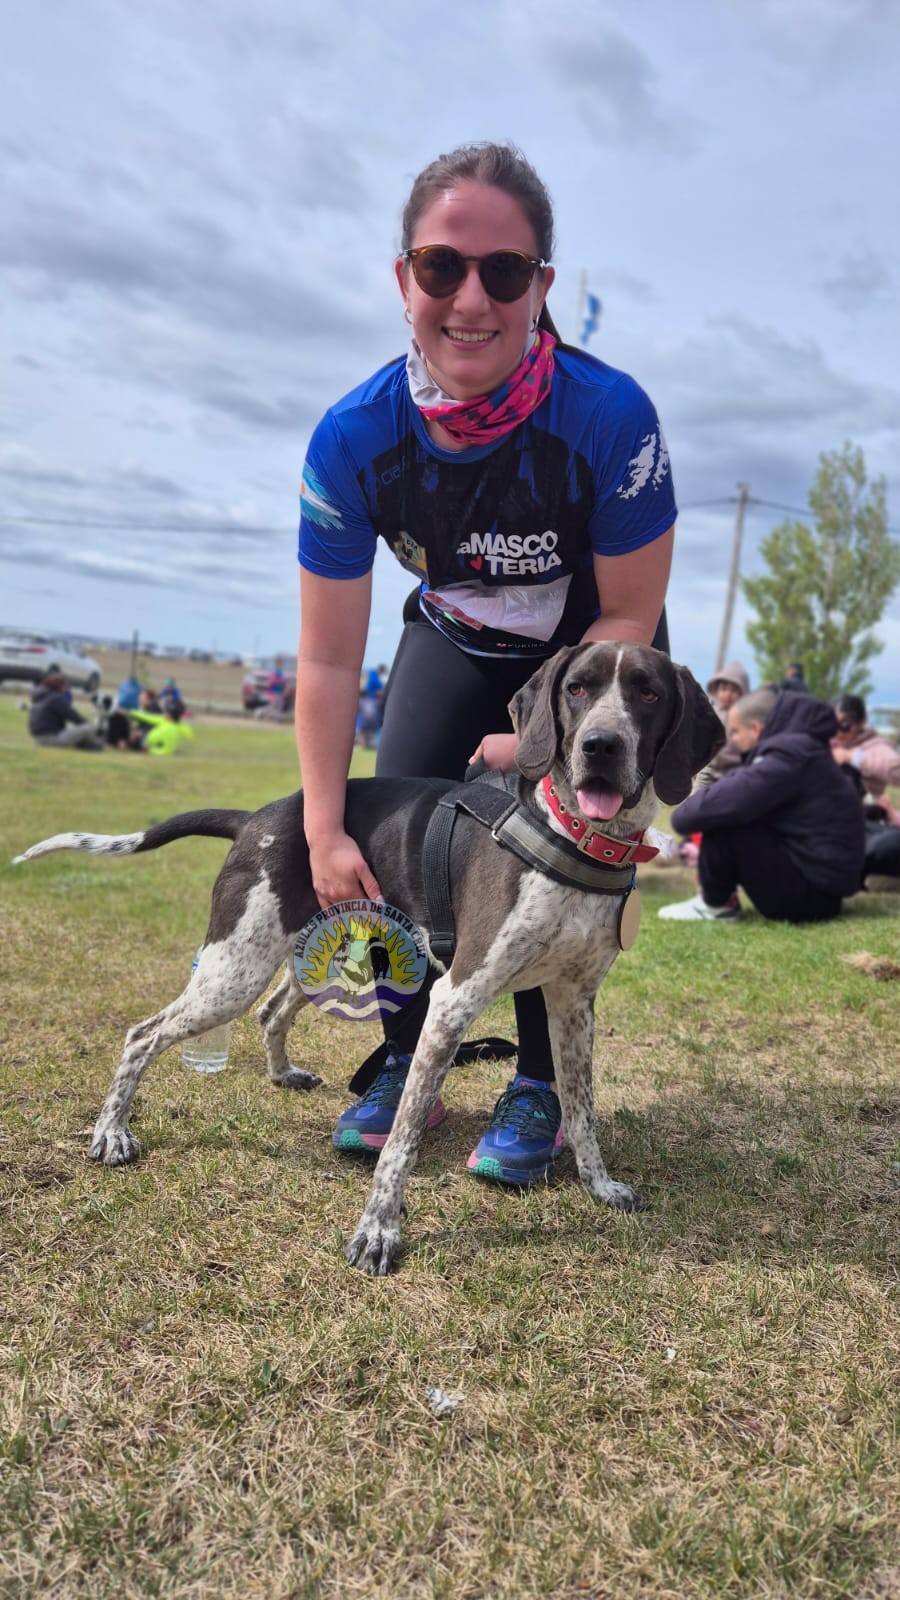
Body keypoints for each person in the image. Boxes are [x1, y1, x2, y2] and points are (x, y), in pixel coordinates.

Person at [296, 140, 675, 1186]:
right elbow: (328, 660)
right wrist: (326, 826)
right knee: (389, 835)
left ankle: (541, 1085)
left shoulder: (610, 417)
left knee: (560, 851)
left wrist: (542, 741)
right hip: (454, 638)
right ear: (403, 277)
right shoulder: (353, 436)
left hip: (590, 652)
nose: (471, 298)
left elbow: (632, 611)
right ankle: (399, 1050)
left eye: (503, 272)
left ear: (540, 285)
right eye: (441, 267)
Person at [658, 688, 865, 923]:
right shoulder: (804, 750)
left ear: (756, 729)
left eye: (735, 731)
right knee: (734, 808)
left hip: (808, 897)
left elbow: (692, 815)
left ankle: (715, 905)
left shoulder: (789, 757)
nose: (732, 739)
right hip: (823, 891)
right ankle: (720, 901)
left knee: (723, 815)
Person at [831, 693, 900, 883]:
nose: (838, 732)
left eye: (845, 726)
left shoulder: (873, 747)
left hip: (866, 823)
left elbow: (896, 769)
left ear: (860, 723)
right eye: (833, 725)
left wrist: (851, 757)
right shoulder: (823, 743)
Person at [28, 666, 103, 750]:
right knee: (90, 727)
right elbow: (73, 716)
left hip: (38, 739)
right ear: (60, 686)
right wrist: (87, 724)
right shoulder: (55, 698)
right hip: (52, 739)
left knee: (76, 728)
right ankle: (87, 743)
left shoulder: (40, 696)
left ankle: (85, 744)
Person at [130, 700, 194, 755]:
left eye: (166, 712)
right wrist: (133, 713)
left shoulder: (165, 726)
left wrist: (142, 738)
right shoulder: (180, 726)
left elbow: (150, 739)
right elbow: (189, 735)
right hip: (169, 752)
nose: (164, 713)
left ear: (169, 714)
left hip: (155, 751)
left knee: (134, 736)